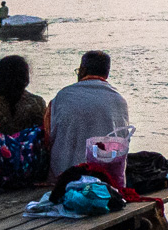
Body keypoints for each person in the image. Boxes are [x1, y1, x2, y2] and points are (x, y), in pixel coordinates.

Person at [45, 51, 129, 181]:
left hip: (64, 180)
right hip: (107, 181)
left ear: (83, 70)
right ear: (107, 73)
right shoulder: (120, 101)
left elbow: (47, 138)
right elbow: (123, 142)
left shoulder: (62, 97)